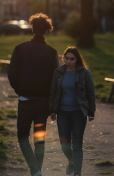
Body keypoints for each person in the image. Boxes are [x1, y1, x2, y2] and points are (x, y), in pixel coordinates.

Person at [8, 13, 59, 176]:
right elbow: (55, 81)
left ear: (32, 29)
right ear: (47, 31)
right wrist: (53, 105)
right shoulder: (52, 52)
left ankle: (34, 170)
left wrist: (19, 89)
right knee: (39, 139)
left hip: (25, 102)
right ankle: (36, 170)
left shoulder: (19, 48)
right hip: (43, 103)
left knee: (22, 136)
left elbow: (12, 74)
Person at [49, 47, 96, 176]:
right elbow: (53, 92)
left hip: (78, 113)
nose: (68, 61)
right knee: (64, 144)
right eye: (67, 58)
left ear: (77, 59)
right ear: (64, 58)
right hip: (63, 112)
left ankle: (77, 173)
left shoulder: (84, 73)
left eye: (72, 59)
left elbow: (91, 93)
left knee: (77, 144)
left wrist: (91, 112)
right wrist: (52, 110)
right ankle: (71, 161)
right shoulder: (58, 72)